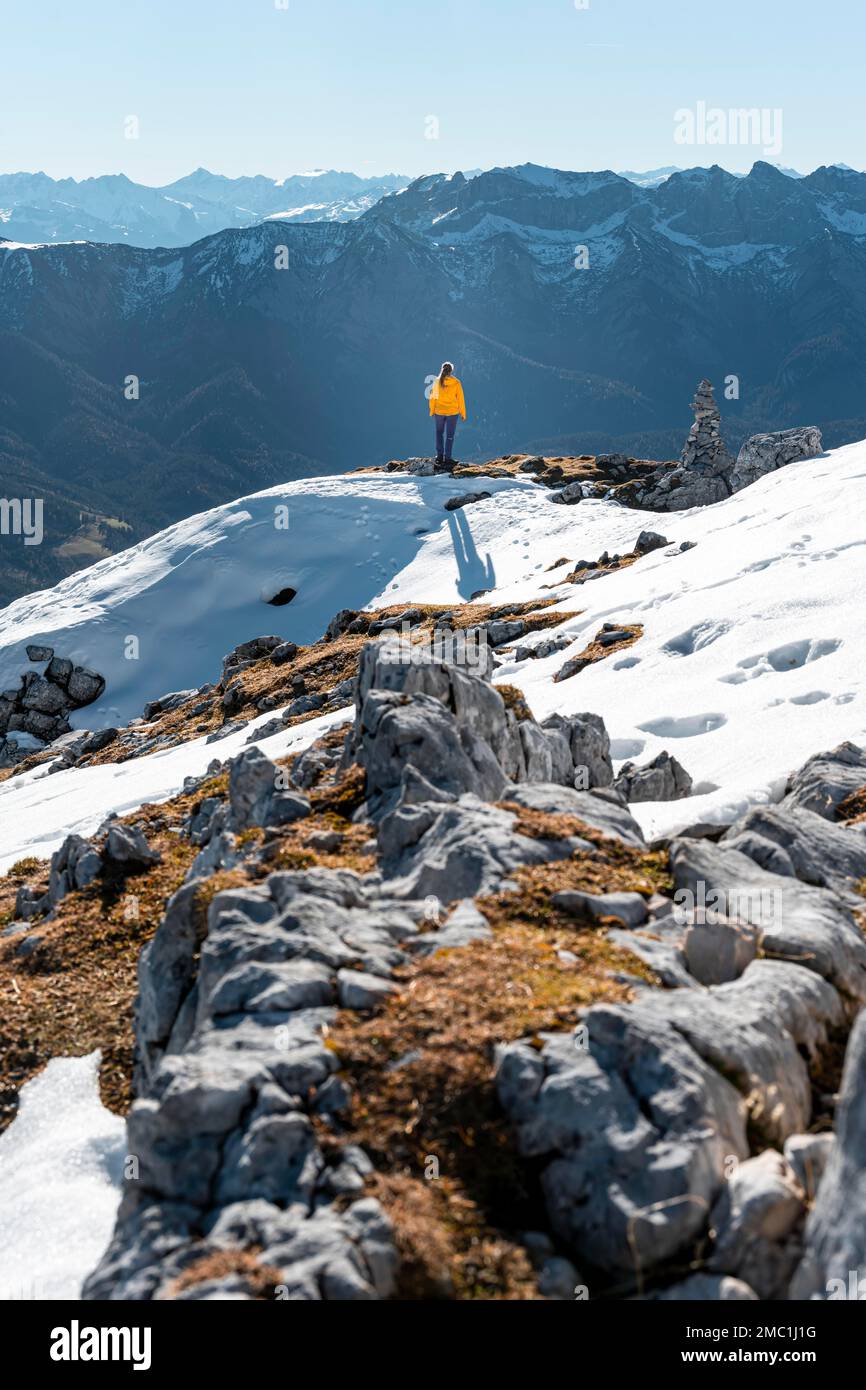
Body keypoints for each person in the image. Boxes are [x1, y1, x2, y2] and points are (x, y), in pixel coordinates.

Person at [428, 361, 466, 464]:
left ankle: (439, 457)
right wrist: (463, 413)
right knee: (450, 436)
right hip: (452, 413)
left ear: (442, 370)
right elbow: (461, 399)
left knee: (439, 433)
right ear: (451, 371)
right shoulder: (457, 382)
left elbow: (432, 398)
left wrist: (432, 411)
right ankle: (448, 458)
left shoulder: (436, 382)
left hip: (439, 412)